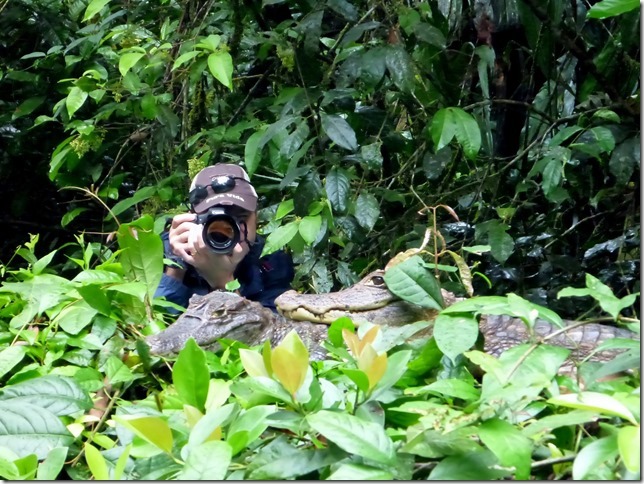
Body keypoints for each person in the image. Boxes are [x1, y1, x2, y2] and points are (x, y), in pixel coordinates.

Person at [155, 163, 294, 312]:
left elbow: (272, 331)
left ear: (256, 218)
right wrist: (176, 267)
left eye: (241, 217)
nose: (227, 229)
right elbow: (149, 326)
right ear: (192, 218)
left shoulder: (269, 262)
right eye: (213, 220)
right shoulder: (162, 250)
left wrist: (222, 280)